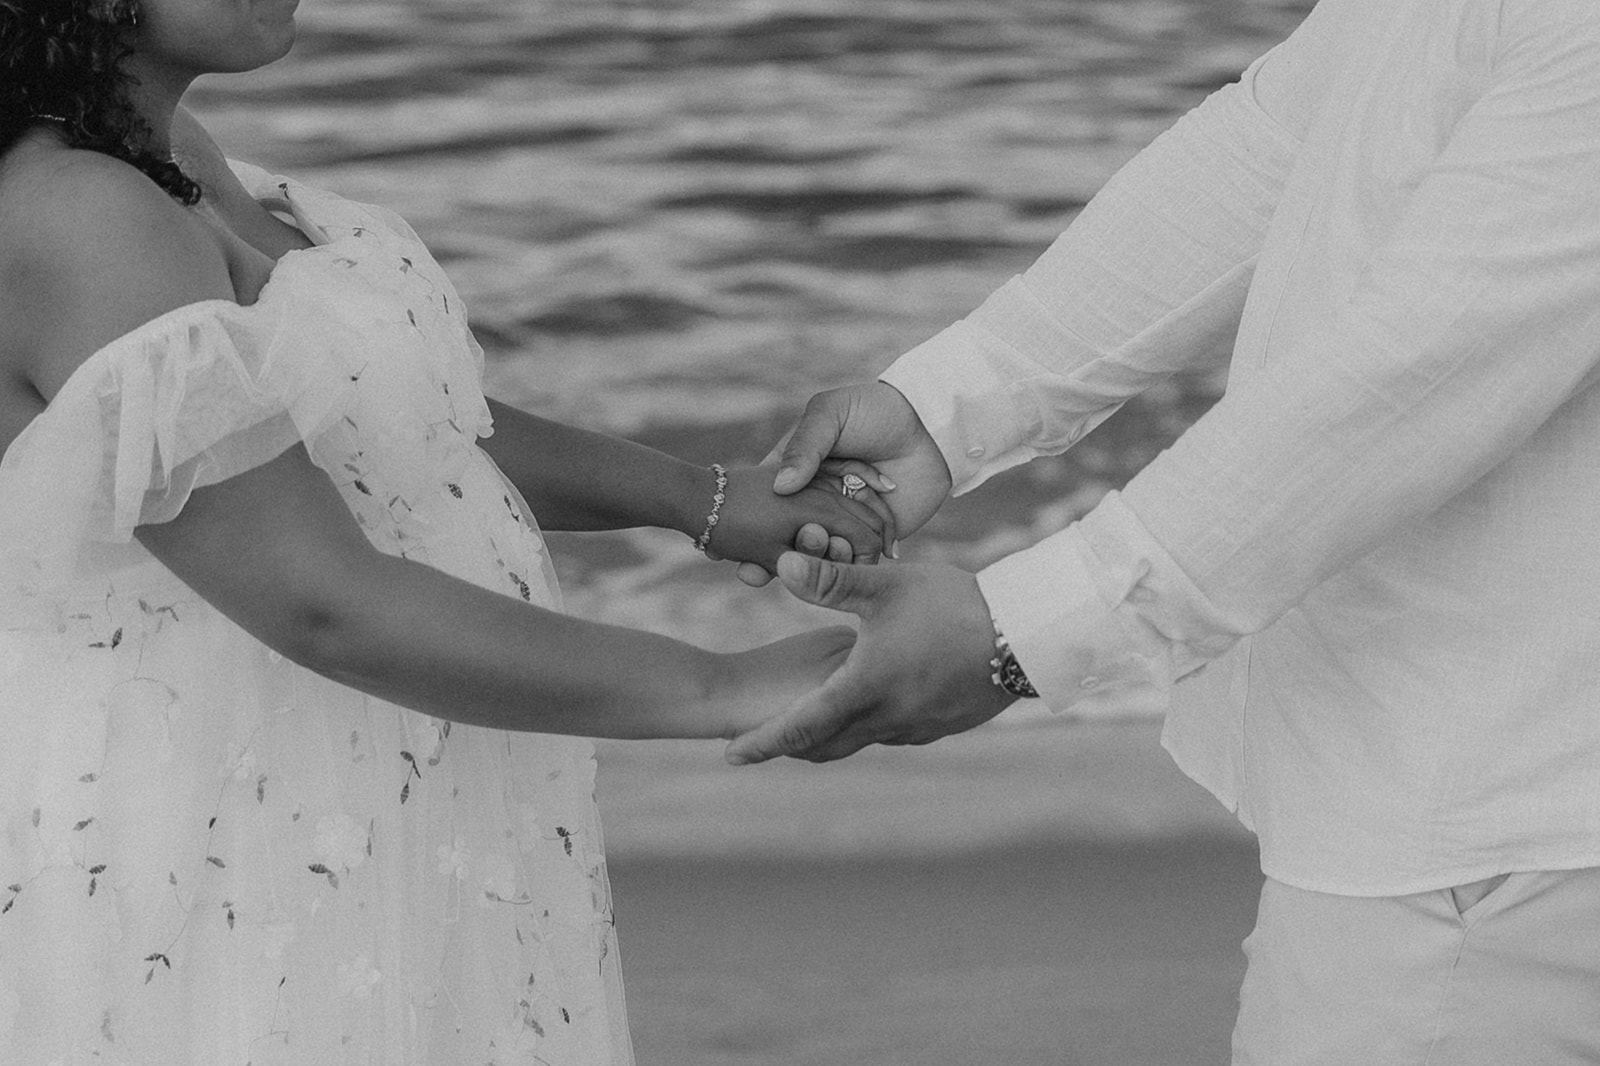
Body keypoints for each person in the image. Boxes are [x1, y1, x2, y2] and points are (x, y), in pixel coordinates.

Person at [0, 1, 892, 1063]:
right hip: (234, 821)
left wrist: (701, 500)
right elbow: (320, 599)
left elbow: (382, 421)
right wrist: (729, 686)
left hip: (383, 767)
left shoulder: (163, 148)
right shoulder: (80, 213)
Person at [727, 0, 1600, 1060]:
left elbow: (1419, 368)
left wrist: (1019, 636)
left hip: (1507, 814)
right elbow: (1275, 143)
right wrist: (951, 404)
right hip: (1465, 791)